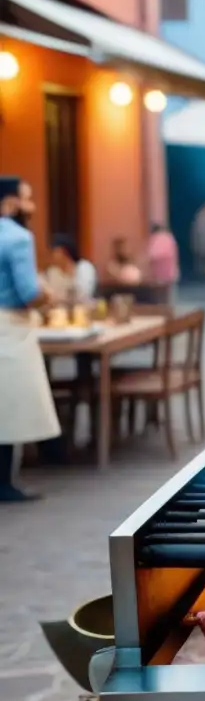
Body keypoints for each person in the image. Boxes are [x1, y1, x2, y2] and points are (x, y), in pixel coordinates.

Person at [0, 176, 61, 502]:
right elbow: (29, 293)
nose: (31, 206)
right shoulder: (18, 238)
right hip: (9, 327)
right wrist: (48, 295)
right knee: (12, 407)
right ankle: (5, 484)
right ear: (10, 202)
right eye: (27, 198)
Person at [45, 235, 96, 303]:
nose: (52, 255)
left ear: (65, 253)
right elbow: (50, 295)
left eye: (55, 251)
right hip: (59, 311)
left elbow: (83, 295)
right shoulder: (53, 271)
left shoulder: (85, 268)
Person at [147, 223, 180, 305]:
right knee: (169, 297)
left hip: (161, 276)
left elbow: (153, 254)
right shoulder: (169, 238)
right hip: (171, 274)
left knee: (161, 299)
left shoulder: (158, 239)